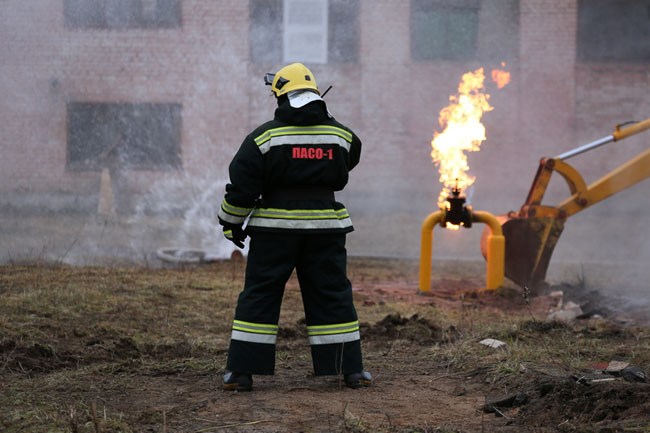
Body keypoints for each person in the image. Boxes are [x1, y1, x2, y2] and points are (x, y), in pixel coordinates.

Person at [217, 63, 371, 391]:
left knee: (260, 294)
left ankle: (242, 373)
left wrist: (231, 223)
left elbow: (241, 185)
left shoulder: (264, 137)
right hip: (325, 231)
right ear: (316, 95)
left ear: (282, 97)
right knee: (332, 294)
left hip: (274, 233)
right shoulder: (341, 136)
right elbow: (351, 157)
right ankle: (351, 371)